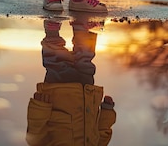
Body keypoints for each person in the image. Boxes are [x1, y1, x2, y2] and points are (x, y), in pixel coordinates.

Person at [26, 13, 115, 146]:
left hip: (60, 98)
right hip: (87, 97)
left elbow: (35, 138)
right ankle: (83, 28)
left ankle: (52, 30)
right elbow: (102, 138)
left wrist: (40, 109)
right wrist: (107, 113)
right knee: (85, 62)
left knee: (57, 63)